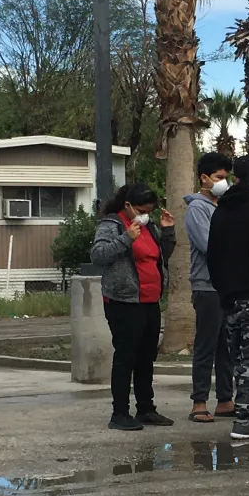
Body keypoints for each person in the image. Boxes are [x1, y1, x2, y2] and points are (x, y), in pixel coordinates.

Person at [90, 183, 177, 431]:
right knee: (126, 357)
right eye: (140, 209)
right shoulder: (112, 225)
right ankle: (119, 413)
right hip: (124, 301)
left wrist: (167, 233)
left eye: (148, 210)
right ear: (127, 205)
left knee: (146, 357)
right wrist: (126, 238)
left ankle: (146, 408)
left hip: (150, 300)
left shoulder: (148, 226)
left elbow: (161, 255)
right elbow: (98, 255)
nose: (144, 214)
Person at [206, 154, 249, 440]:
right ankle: (245, 418)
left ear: (235, 178)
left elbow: (212, 255)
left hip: (229, 296)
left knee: (239, 358)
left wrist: (223, 291)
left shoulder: (221, 210)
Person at [183, 151, 236, 423]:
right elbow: (209, 245)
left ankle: (226, 399)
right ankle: (199, 402)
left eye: (226, 178)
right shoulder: (197, 209)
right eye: (219, 177)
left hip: (225, 286)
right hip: (207, 287)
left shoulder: (221, 207)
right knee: (206, 345)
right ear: (204, 178)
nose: (223, 182)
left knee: (226, 346)